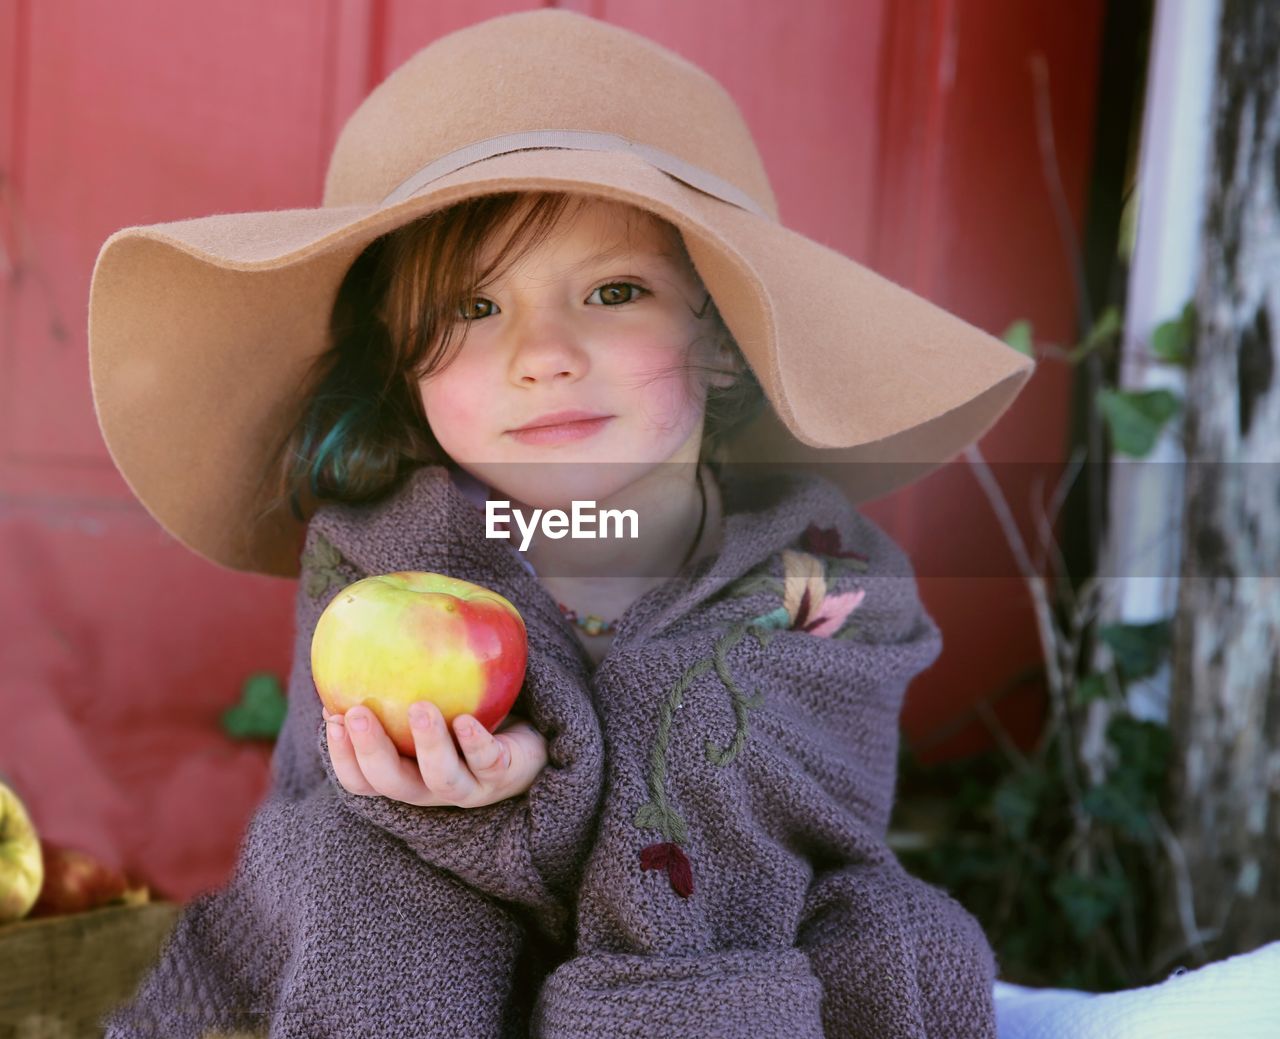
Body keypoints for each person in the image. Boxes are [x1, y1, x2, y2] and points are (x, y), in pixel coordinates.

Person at [87, 10, 1034, 1039]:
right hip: (441, 926)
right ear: (404, 370)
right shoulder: (378, 563)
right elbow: (330, 796)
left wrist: (559, 771)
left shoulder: (824, 574)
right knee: (348, 875)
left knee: (905, 938)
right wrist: (472, 808)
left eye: (613, 290)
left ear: (719, 340)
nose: (542, 353)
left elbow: (791, 787)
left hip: (731, 936)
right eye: (473, 308)